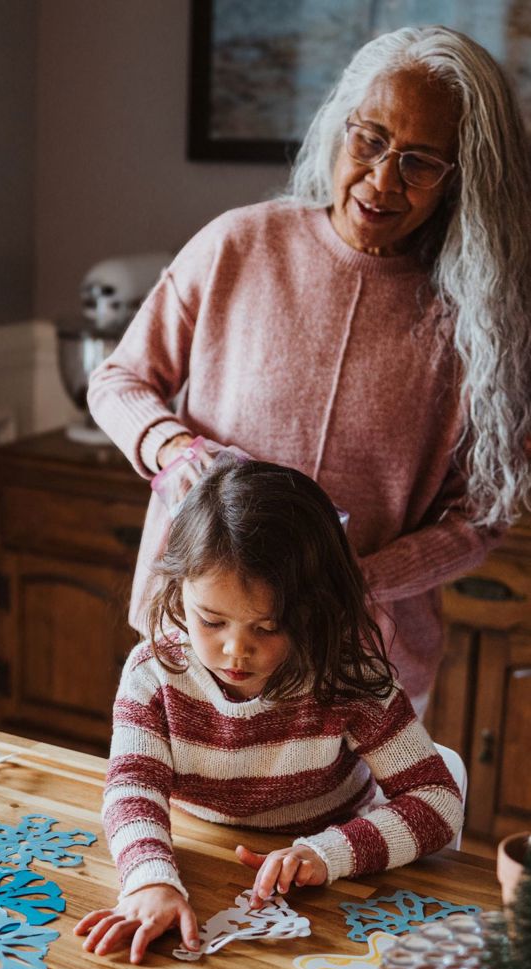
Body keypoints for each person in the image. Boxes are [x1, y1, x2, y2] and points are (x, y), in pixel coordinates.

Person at [87, 26, 531, 713]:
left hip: (359, 659)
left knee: (356, 823)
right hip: (199, 642)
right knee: (177, 815)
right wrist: (174, 452)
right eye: (371, 140)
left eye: (419, 162)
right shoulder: (240, 243)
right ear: (340, 126)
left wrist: (363, 579)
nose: (383, 179)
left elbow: (482, 516)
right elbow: (119, 382)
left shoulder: (478, 319)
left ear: (461, 177)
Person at [74, 457, 463, 963]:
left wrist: (326, 853)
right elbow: (131, 788)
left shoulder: (350, 679)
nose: (236, 651)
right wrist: (149, 880)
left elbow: (435, 798)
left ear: (319, 608)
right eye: (211, 621)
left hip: (326, 887)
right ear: (178, 590)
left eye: (268, 627)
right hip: (202, 850)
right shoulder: (154, 671)